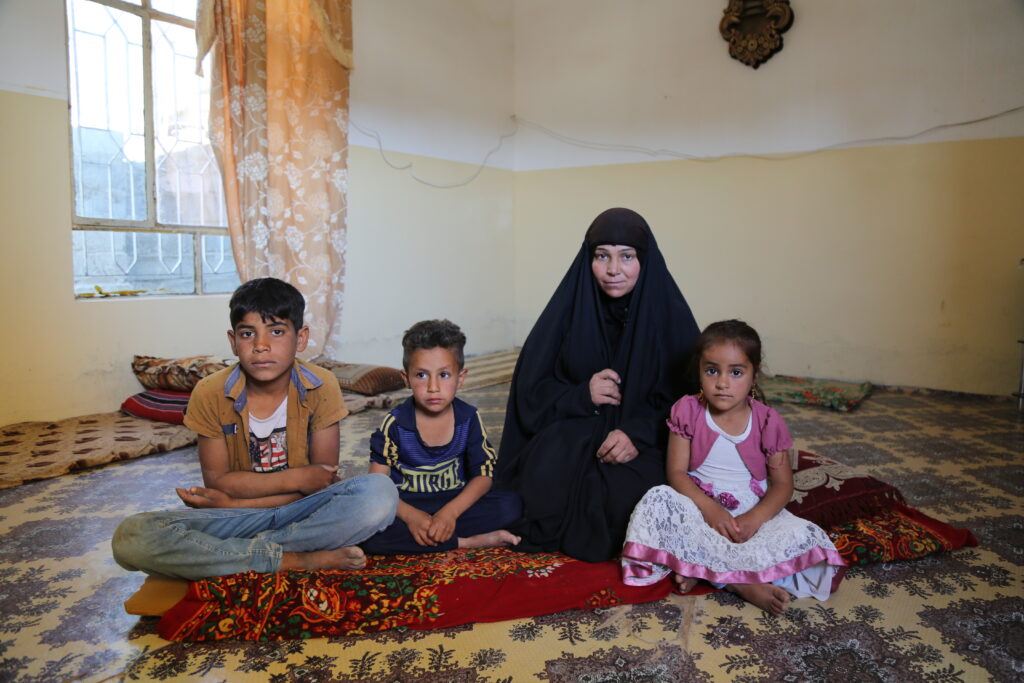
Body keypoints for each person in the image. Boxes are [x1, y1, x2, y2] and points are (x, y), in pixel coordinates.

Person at [111, 277, 397, 580]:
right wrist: (291, 481)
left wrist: (236, 500)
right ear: (233, 342)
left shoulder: (321, 385)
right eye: (248, 334)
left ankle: (231, 556)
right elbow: (220, 482)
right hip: (237, 516)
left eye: (276, 331)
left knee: (379, 493)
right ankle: (296, 558)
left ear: (300, 339)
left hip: (301, 512)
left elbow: (321, 483)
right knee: (132, 536)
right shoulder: (210, 392)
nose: (261, 346)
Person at [496, 208, 700, 562]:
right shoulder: (568, 310)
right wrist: (580, 395)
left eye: (627, 256)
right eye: (602, 256)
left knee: (634, 500)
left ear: (644, 260)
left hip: (646, 441)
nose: (613, 269)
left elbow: (694, 400)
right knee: (532, 492)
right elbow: (530, 393)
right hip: (572, 431)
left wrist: (638, 433)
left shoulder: (670, 317)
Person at [620, 320, 846, 615]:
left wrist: (754, 519)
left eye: (736, 372)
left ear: (754, 375)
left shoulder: (767, 421)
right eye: (712, 370)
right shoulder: (687, 410)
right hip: (698, 507)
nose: (722, 383)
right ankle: (737, 582)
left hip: (750, 511)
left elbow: (782, 485)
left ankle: (702, 568)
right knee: (657, 501)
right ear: (699, 370)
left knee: (804, 539)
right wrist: (710, 511)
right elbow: (676, 473)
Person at [361, 319, 522, 554]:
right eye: (421, 375)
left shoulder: (468, 418)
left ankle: (439, 535)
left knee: (510, 506)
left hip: (454, 500)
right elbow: (376, 485)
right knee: (366, 530)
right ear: (406, 379)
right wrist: (412, 517)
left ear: (460, 378)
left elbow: (484, 476)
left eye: (444, 375)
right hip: (408, 503)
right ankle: (466, 542)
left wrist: (449, 514)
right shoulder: (395, 424)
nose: (433, 387)